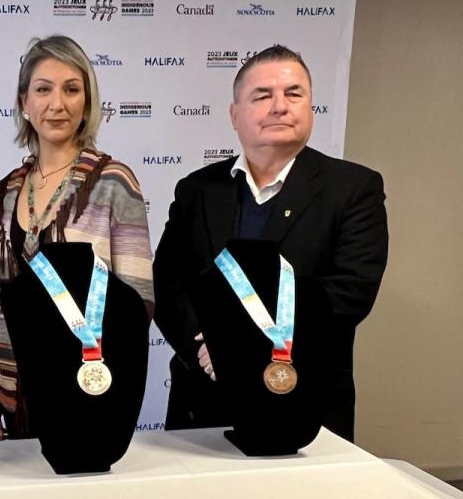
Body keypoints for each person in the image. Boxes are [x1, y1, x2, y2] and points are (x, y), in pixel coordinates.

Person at [153, 45, 388, 441]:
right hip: (205, 401)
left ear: (311, 106)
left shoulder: (354, 189)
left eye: (293, 93)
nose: (280, 106)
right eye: (262, 96)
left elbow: (349, 292)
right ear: (235, 114)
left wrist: (238, 349)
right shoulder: (196, 190)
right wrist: (206, 348)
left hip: (304, 402)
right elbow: (169, 281)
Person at [0, 35, 155, 440]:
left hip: (86, 384)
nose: (57, 103)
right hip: (15, 388)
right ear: (24, 102)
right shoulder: (4, 193)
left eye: (71, 89)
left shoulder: (114, 182)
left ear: (87, 102)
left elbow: (138, 302)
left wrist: (99, 373)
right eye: (43, 89)